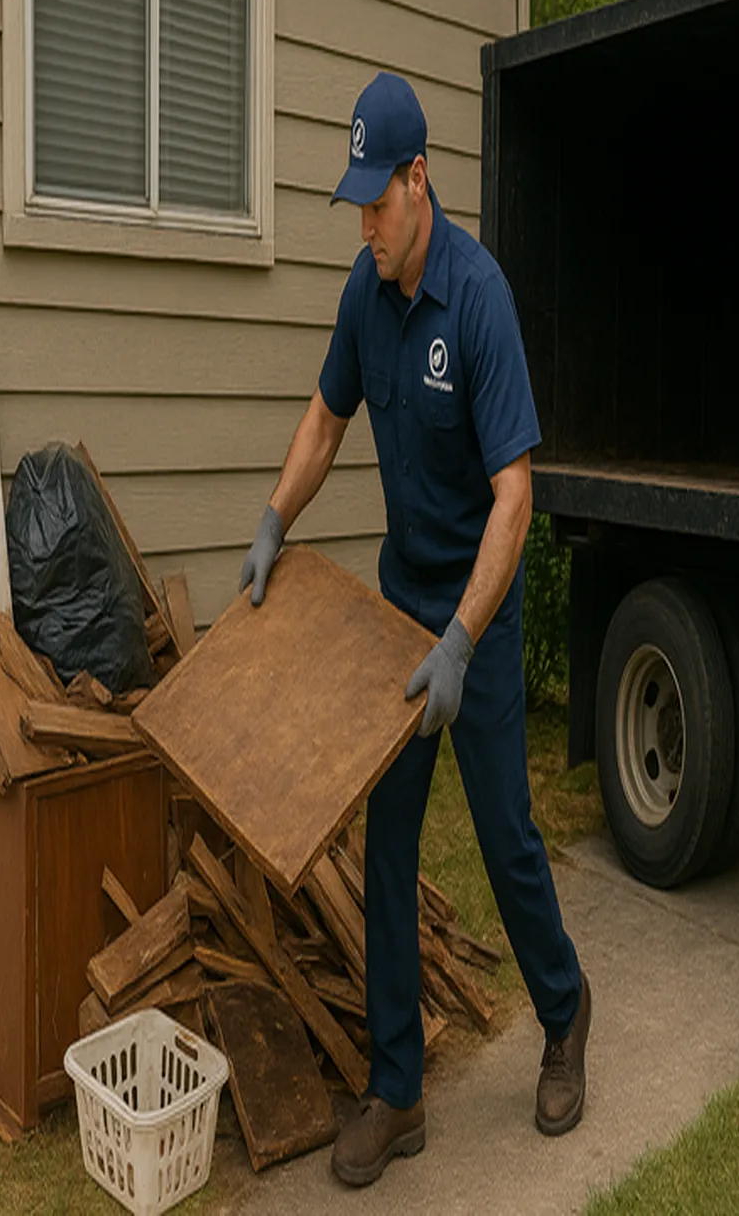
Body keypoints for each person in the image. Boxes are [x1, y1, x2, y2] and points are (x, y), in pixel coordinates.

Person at [238, 72, 589, 1187]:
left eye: (376, 204)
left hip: (476, 610)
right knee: (387, 843)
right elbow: (326, 417)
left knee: (504, 834)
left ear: (419, 181)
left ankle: (566, 1012)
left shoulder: (477, 301)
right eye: (355, 207)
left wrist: (464, 642)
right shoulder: (366, 289)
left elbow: (516, 497)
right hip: (401, 607)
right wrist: (274, 518)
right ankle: (397, 1092)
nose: (365, 226)